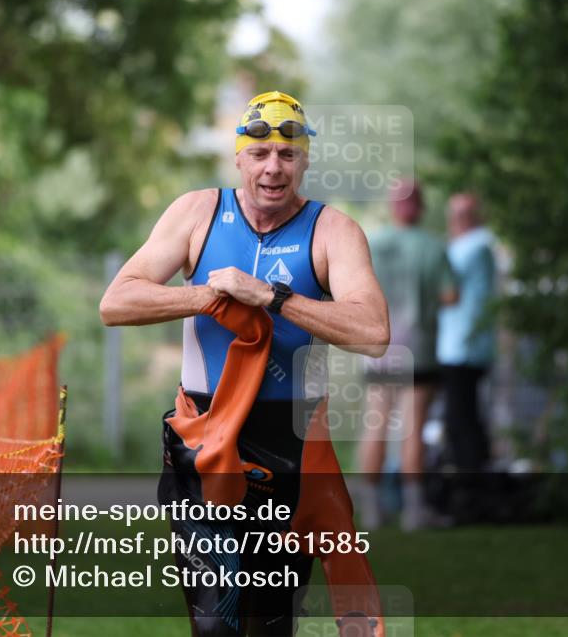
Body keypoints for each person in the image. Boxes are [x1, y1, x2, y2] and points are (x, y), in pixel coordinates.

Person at [99, 91, 390, 637]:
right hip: (205, 439)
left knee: (269, 625)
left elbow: (374, 333)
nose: (273, 168)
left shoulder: (333, 231)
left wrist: (271, 297)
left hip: (289, 449)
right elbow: (117, 302)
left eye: (287, 154)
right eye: (259, 155)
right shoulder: (197, 213)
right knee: (214, 623)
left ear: (304, 160)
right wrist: (212, 296)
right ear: (238, 157)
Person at [357, 181, 457, 531]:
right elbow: (451, 296)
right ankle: (414, 512)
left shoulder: (373, 244)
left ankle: (372, 510)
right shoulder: (433, 247)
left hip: (379, 347)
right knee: (412, 429)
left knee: (376, 426)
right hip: (420, 348)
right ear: (422, 207)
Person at [437, 192, 496, 520]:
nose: (458, 220)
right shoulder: (471, 245)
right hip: (460, 346)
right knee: (464, 420)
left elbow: (443, 288)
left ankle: (470, 495)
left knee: (462, 422)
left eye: (465, 213)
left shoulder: (476, 245)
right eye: (455, 213)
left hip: (463, 348)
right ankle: (471, 491)